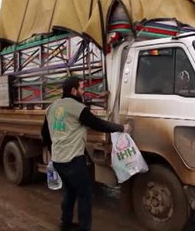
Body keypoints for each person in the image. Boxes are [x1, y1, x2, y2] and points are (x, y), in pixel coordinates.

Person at [41, 76, 131, 231]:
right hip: (73, 160)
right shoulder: (77, 108)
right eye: (82, 89)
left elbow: (45, 134)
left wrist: (52, 151)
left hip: (58, 160)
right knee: (85, 194)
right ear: (74, 90)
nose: (83, 92)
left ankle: (66, 223)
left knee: (70, 191)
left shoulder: (52, 107)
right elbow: (98, 124)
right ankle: (84, 228)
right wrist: (122, 128)